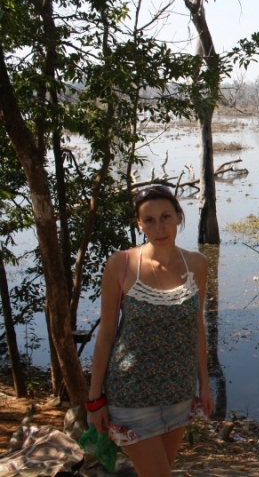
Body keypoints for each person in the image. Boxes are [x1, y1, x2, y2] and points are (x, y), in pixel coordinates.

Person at [87, 185, 213, 476]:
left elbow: (196, 326)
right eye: (150, 220)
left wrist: (203, 384)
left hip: (179, 393)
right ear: (139, 224)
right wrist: (95, 400)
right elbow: (106, 333)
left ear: (179, 217)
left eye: (166, 217)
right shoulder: (122, 264)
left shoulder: (197, 263)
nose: (160, 227)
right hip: (132, 396)